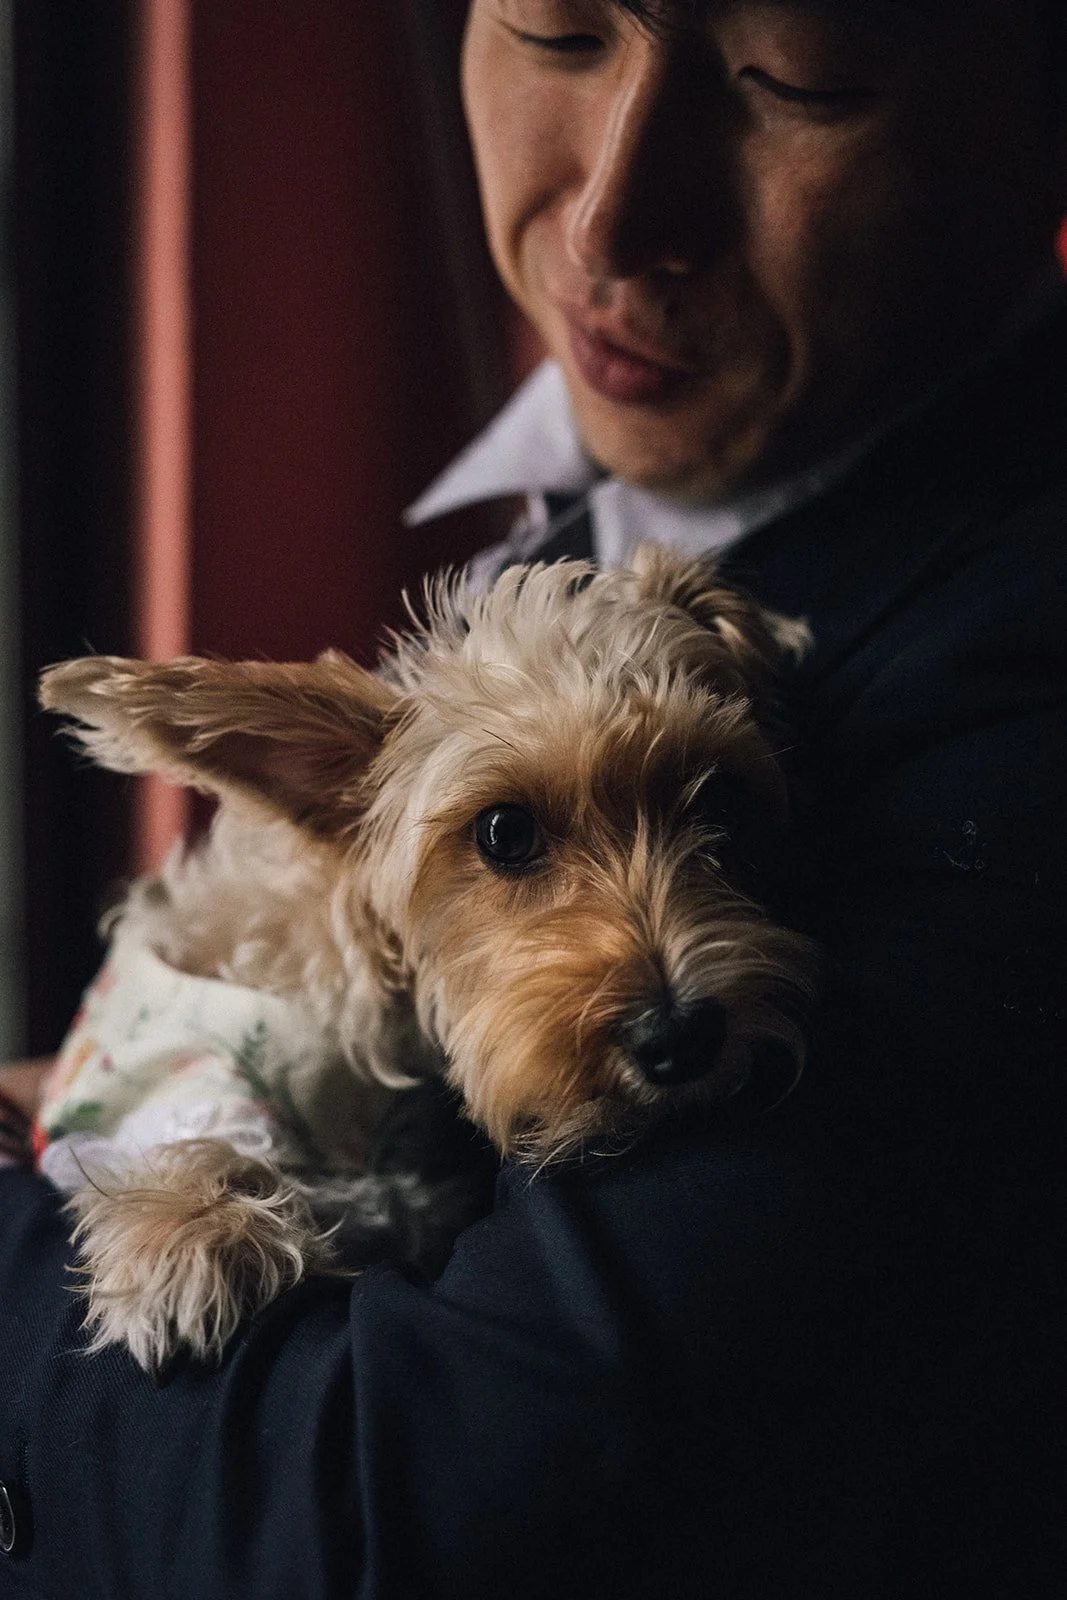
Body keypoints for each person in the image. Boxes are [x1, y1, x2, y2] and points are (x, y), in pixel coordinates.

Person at [2, 0, 1066, 1593]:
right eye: (556, 29)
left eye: (800, 85)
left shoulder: (1004, 691)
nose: (608, 219)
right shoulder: (599, 545)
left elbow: (353, 1522)